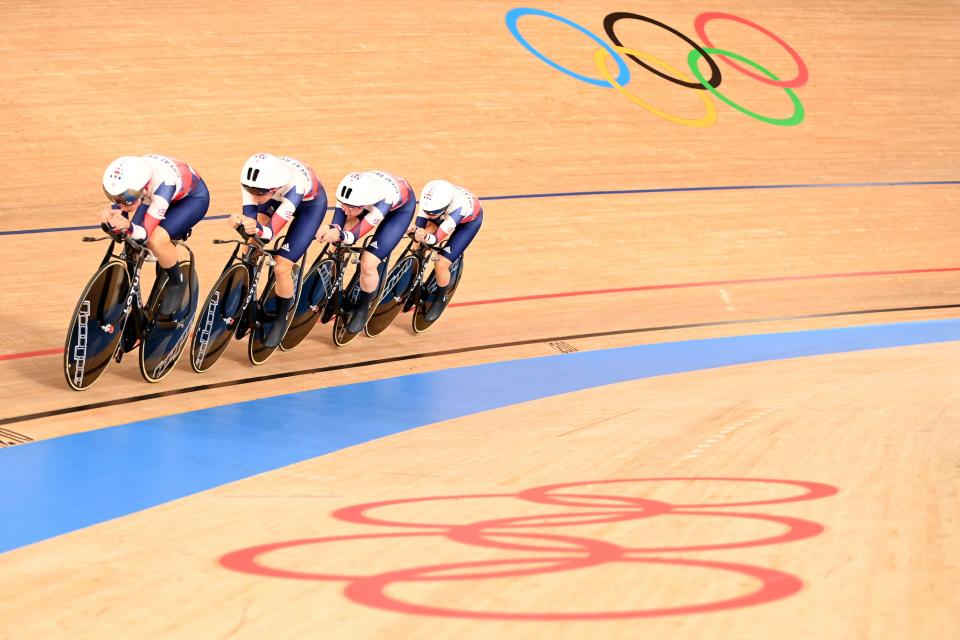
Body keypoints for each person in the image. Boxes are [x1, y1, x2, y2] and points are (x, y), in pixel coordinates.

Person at [228, 153, 328, 348]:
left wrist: (253, 227)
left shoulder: (295, 187)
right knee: (249, 248)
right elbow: (252, 225)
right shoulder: (254, 183)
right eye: (250, 190)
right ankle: (249, 304)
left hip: (309, 207)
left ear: (272, 187)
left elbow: (268, 234)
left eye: (258, 192)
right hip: (275, 198)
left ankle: (281, 319)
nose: (253, 195)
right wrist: (244, 223)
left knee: (281, 267)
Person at [100, 154, 209, 315]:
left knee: (155, 240)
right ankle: (131, 293)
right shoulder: (124, 184)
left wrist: (129, 227)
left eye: (125, 201)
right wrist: (111, 222)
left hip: (191, 200)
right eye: (115, 198)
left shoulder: (164, 186)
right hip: (153, 195)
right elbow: (119, 212)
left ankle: (176, 282)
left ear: (143, 189)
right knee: (131, 243)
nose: (120, 204)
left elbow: (144, 234)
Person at [316, 170, 416, 334]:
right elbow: (338, 224)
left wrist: (340, 233)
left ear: (363, 205)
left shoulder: (383, 201)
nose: (345, 210)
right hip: (369, 199)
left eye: (350, 208)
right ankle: (333, 287)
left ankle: (363, 307)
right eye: (343, 205)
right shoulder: (348, 194)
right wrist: (331, 229)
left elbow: (355, 235)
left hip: (399, 212)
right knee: (336, 238)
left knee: (368, 262)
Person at [411, 179, 483, 321]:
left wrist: (426, 235)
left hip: (468, 223)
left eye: (433, 213)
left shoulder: (458, 209)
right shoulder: (429, 201)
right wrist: (416, 232)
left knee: (441, 263)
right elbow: (419, 230)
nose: (429, 214)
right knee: (416, 245)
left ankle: (441, 298)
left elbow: (435, 239)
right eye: (427, 212)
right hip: (444, 213)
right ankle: (413, 283)